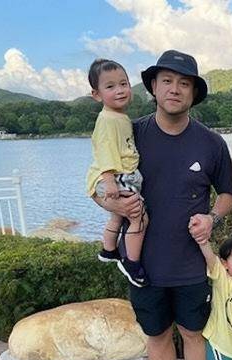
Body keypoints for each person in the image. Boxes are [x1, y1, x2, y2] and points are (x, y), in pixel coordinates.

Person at [95, 50, 232, 360]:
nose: (175, 89)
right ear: (154, 87)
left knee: (194, 333)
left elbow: (227, 193)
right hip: (144, 264)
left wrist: (212, 217)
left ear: (194, 93)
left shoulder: (210, 143)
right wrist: (111, 203)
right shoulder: (131, 134)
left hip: (192, 263)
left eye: (184, 83)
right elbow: (98, 181)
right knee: (157, 336)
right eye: (167, 81)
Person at [86, 58, 147, 287]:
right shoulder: (108, 120)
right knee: (140, 217)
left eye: (123, 84)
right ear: (97, 94)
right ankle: (132, 263)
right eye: (110, 86)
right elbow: (105, 151)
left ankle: (108, 249)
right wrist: (109, 181)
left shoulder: (118, 117)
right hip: (115, 176)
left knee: (117, 215)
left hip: (119, 176)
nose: (120, 90)